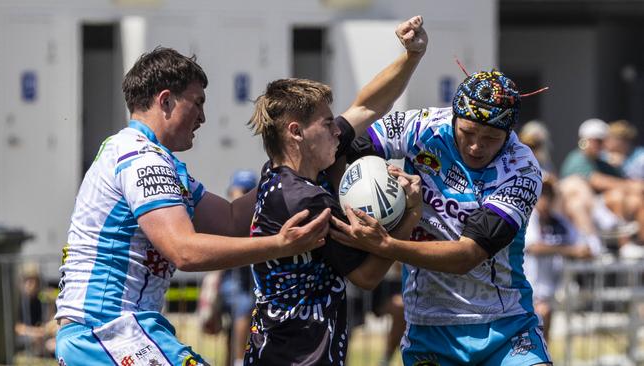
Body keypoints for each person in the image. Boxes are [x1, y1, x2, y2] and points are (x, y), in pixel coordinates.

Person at [53, 47, 332, 366]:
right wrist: (279, 245)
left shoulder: (148, 157)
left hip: (110, 334)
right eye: (197, 103)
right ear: (166, 101)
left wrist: (289, 168)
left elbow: (230, 219)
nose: (202, 118)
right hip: (107, 333)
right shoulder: (142, 159)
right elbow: (183, 250)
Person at [332, 69, 553, 365]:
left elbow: (467, 255)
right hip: (429, 326)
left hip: (505, 326)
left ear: (510, 133)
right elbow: (342, 145)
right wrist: (376, 188)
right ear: (454, 116)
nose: (476, 146)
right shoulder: (423, 126)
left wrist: (385, 245)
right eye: (467, 132)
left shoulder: (521, 169)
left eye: (491, 138)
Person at [243, 15, 427, 365]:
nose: (336, 130)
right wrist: (410, 213)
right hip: (297, 358)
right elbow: (368, 276)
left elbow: (367, 106)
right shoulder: (305, 201)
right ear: (296, 132)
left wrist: (411, 56)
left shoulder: (281, 174)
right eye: (327, 123)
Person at [198, 170, 259, 366]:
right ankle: (235, 360)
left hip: (245, 280)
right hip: (231, 278)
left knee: (242, 314)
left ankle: (239, 360)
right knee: (233, 325)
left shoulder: (255, 212)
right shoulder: (232, 212)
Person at [523, 176, 594, 343]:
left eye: (549, 194)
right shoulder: (529, 217)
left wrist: (584, 250)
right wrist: (570, 251)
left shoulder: (559, 221)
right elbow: (533, 246)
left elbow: (580, 243)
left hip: (551, 290)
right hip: (527, 289)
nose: (545, 199)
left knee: (543, 338)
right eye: (541, 194)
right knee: (534, 334)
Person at [559, 118, 644, 255]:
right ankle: (624, 244)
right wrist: (632, 186)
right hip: (581, 212)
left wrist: (634, 187)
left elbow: (620, 179)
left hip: (600, 209)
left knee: (636, 200)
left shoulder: (603, 162)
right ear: (585, 140)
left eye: (603, 141)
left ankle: (641, 242)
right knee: (617, 197)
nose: (601, 145)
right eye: (597, 140)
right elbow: (597, 181)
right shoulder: (577, 158)